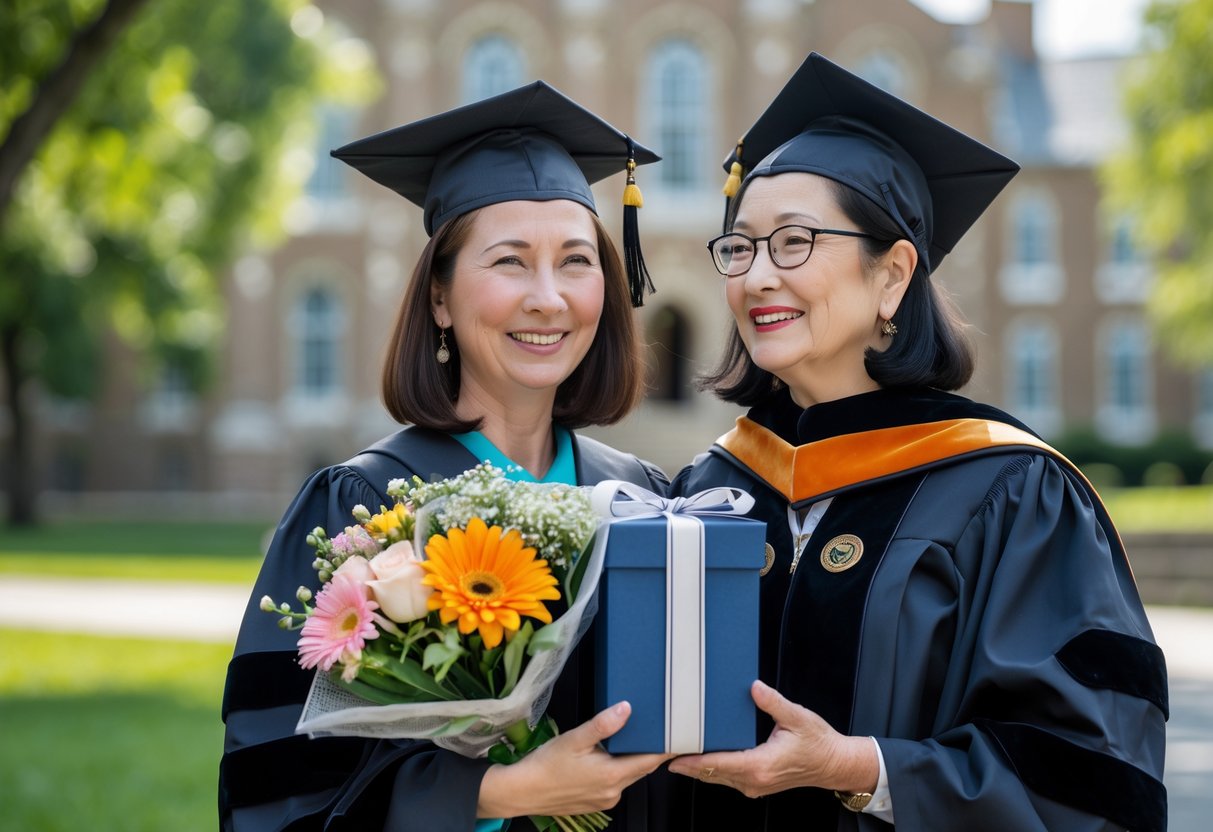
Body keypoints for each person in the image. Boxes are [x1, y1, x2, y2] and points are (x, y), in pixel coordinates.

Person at [668, 53, 1168, 831]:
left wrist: (859, 769)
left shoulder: (1007, 490)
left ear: (893, 274)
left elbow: (1091, 772)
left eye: (794, 241)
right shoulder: (708, 488)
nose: (757, 275)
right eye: (740, 247)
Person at [219, 82, 676, 832]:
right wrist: (492, 797)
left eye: (575, 261)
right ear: (439, 296)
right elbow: (275, 778)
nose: (548, 298)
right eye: (508, 262)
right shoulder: (361, 507)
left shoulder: (646, 498)